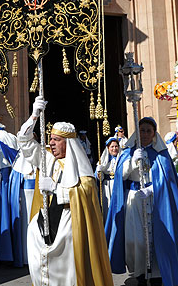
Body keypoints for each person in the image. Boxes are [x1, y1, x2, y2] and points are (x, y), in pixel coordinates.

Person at [17, 96, 113, 286]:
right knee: (36, 247)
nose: (51, 143)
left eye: (56, 140)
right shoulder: (48, 159)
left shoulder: (82, 169)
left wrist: (55, 188)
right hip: (49, 217)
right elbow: (24, 141)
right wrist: (34, 115)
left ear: (68, 143)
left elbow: (83, 192)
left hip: (70, 222)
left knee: (68, 269)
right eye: (50, 139)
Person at [106, 117, 178, 286]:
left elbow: (169, 180)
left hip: (156, 201)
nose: (144, 134)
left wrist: (152, 189)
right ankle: (140, 275)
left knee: (157, 239)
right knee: (136, 240)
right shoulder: (128, 151)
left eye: (148, 131)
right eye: (141, 130)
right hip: (134, 200)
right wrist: (131, 162)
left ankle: (158, 275)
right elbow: (120, 177)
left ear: (153, 134)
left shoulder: (161, 153)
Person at [0, 123, 35, 267]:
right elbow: (15, 183)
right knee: (24, 227)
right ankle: (24, 257)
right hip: (23, 199)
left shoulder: (39, 158)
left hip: (35, 200)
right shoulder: (19, 163)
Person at [95, 137, 121, 218]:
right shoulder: (103, 161)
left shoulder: (121, 159)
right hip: (107, 187)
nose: (114, 149)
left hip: (118, 186)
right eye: (112, 147)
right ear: (108, 148)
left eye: (116, 146)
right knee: (108, 208)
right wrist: (99, 172)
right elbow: (100, 178)